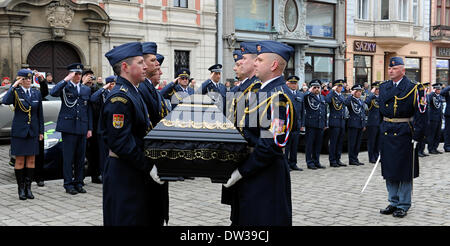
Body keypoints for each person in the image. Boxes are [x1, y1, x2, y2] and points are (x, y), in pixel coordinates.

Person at [223, 40, 295, 226]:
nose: (255, 62)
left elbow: (271, 145)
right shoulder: (260, 91)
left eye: (260, 60)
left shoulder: (279, 96)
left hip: (265, 176)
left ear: (273, 65)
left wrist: (241, 171)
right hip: (253, 172)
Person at [100, 42, 164, 226]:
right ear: (126, 67)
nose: (145, 66)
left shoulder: (132, 92)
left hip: (133, 170)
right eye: (139, 62)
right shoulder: (120, 98)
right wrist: (148, 166)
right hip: (124, 173)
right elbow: (120, 142)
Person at [378, 57, 427, 218]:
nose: (390, 70)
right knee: (389, 169)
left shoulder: (414, 88)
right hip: (387, 130)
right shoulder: (384, 86)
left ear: (403, 70)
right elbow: (381, 112)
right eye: (389, 68)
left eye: (394, 68)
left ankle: (404, 204)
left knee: (404, 170)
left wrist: (417, 136)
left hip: (405, 132)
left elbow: (421, 113)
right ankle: (393, 201)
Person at [50, 63, 93, 195]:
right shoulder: (65, 87)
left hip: (82, 127)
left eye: (80, 74)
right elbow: (53, 92)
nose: (78, 76)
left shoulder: (85, 89)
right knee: (68, 158)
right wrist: (65, 80)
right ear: (70, 74)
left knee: (80, 158)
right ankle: (68, 184)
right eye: (76, 74)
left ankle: (79, 182)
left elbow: (88, 110)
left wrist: (89, 128)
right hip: (68, 127)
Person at [2, 69, 44, 200]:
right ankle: (20, 189)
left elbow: (39, 114)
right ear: (20, 80)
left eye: (29, 79)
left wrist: (41, 131)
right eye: (25, 79)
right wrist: (14, 85)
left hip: (32, 131)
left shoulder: (35, 93)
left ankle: (28, 188)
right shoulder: (15, 92)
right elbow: (5, 101)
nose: (28, 81)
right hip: (20, 132)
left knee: (31, 160)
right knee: (19, 160)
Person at [90, 75, 116, 179]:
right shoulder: (103, 93)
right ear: (110, 84)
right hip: (103, 128)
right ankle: (104, 174)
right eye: (113, 84)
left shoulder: (117, 94)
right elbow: (93, 98)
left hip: (113, 128)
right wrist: (104, 88)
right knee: (103, 154)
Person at [81, 69, 103, 184]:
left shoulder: (95, 89)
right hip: (82, 124)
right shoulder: (80, 88)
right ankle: (80, 177)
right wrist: (84, 84)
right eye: (88, 76)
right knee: (82, 153)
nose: (90, 79)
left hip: (94, 125)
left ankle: (95, 175)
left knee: (95, 152)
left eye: (92, 77)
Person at [303, 79, 327, 170]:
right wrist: (308, 91)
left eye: (318, 87)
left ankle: (316, 161)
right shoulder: (308, 96)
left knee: (318, 144)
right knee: (310, 144)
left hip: (320, 124)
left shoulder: (322, 97)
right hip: (311, 124)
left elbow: (323, 111)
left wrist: (325, 123)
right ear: (311, 88)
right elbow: (302, 97)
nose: (317, 89)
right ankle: (309, 162)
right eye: (315, 87)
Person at [325, 79, 347, 167]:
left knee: (340, 142)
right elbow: (327, 100)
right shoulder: (332, 95)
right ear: (335, 87)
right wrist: (332, 91)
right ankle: (332, 160)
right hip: (334, 121)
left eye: (341, 86)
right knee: (333, 142)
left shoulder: (341, 96)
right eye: (338, 86)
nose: (340, 88)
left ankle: (338, 159)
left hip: (341, 121)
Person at [284, 75, 304, 171]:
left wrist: (302, 124)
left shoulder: (300, 95)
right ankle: (286, 164)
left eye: (295, 83)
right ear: (288, 84)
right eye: (292, 83)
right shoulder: (284, 94)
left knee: (295, 145)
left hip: (297, 124)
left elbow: (302, 111)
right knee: (287, 146)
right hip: (288, 124)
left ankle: (293, 163)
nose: (294, 85)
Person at [345, 84, 366, 166]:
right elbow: (345, 103)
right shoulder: (350, 100)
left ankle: (356, 158)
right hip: (353, 124)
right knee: (352, 143)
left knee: (358, 143)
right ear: (354, 92)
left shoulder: (360, 100)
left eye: (360, 91)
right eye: (357, 91)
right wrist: (351, 94)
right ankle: (351, 159)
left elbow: (362, 113)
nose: (359, 93)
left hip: (360, 124)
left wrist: (363, 124)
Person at [364, 81, 382, 163]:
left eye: (379, 89)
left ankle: (377, 155)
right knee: (372, 141)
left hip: (380, 122)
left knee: (378, 141)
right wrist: (371, 93)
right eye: (376, 89)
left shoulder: (381, 97)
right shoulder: (371, 97)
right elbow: (366, 102)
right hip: (372, 123)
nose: (378, 90)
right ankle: (371, 157)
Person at [426, 83, 444, 154]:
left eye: (440, 89)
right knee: (432, 134)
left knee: (438, 134)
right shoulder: (431, 95)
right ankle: (430, 149)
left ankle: (435, 147)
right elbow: (427, 104)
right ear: (435, 89)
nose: (439, 90)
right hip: (432, 118)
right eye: (438, 89)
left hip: (439, 118)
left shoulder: (440, 96)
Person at [417, 82, 431, 157]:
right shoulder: (419, 96)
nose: (427, 89)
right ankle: (418, 150)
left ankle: (422, 150)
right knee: (420, 135)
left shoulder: (427, 96)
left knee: (424, 135)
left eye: (428, 88)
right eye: (426, 88)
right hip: (420, 119)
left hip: (426, 118)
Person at [440, 83, 450, 152]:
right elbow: (442, 92)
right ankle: (447, 146)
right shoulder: (448, 91)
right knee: (448, 131)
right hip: (449, 114)